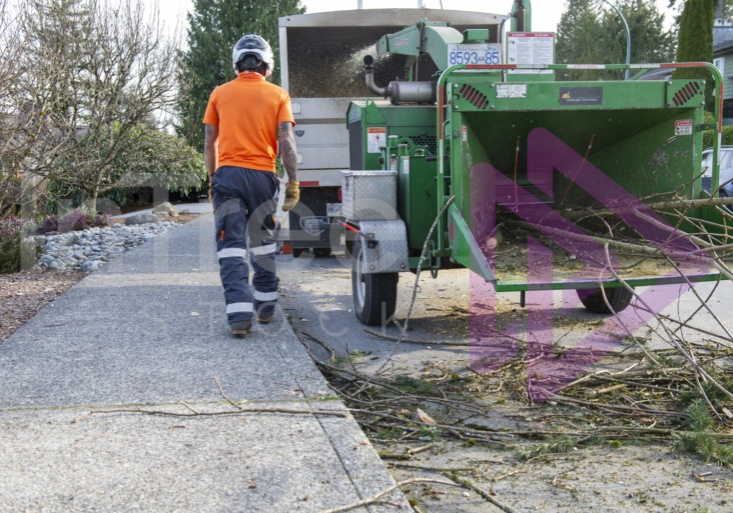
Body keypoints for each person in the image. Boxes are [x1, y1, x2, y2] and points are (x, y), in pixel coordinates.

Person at [203, 34, 300, 338]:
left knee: (230, 246)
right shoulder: (278, 95)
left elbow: (210, 142)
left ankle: (239, 317)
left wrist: (212, 179)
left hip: (228, 177)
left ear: (237, 65)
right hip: (262, 177)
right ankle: (266, 307)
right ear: (267, 66)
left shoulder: (219, 94)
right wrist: (293, 182)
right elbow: (286, 140)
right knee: (263, 239)